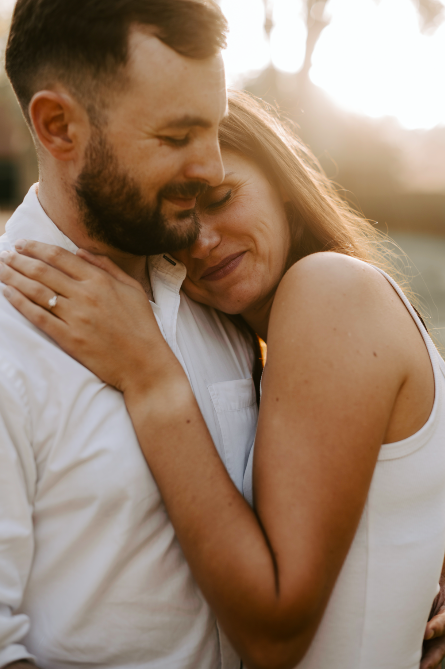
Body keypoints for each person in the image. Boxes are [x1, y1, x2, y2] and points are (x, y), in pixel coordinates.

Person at [3, 91, 445, 669]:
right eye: (174, 226)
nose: (201, 242)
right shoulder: (244, 335)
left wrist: (149, 373)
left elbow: (274, 633)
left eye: (220, 198)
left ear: (282, 178)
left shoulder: (328, 290)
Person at [0, 2, 258, 668]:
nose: (214, 168)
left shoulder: (222, 286)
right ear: (58, 126)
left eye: (216, 129)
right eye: (177, 137)